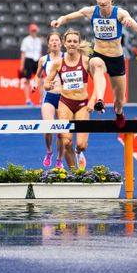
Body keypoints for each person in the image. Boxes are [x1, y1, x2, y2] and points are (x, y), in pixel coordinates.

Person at [50, 0, 137, 128]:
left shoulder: (120, 13)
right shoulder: (91, 11)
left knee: (120, 100)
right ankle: (100, 100)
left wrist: (130, 22)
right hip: (99, 54)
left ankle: (119, 113)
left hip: (117, 58)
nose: (103, 1)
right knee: (96, 64)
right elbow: (70, 16)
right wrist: (60, 20)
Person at [43, 29, 95, 170]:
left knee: (81, 145)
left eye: (75, 41)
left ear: (78, 44)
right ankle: (74, 173)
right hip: (65, 103)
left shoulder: (85, 61)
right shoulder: (58, 63)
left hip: (82, 104)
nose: (72, 44)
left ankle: (79, 153)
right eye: (69, 41)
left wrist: (93, 100)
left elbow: (98, 82)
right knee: (66, 142)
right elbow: (46, 83)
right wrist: (48, 85)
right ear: (64, 44)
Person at [32, 32, 64, 169]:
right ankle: (49, 151)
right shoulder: (43, 60)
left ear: (61, 43)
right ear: (49, 43)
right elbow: (37, 76)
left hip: (64, 97)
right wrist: (35, 83)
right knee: (48, 126)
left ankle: (59, 159)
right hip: (49, 96)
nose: (55, 43)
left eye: (57, 40)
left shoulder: (67, 58)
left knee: (62, 132)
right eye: (52, 41)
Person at [20, 24, 42, 106]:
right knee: (27, 80)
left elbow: (39, 53)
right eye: (33, 30)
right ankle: (27, 99)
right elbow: (23, 53)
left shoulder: (38, 40)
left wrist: (41, 63)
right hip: (28, 60)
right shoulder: (26, 40)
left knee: (41, 80)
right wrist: (22, 65)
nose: (34, 32)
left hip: (37, 61)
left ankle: (41, 99)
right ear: (30, 31)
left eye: (35, 30)